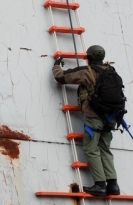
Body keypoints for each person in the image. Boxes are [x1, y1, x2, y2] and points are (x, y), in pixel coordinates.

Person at [52, 45, 120, 197]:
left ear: (88, 57)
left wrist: (56, 66)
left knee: (91, 149)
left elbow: (61, 77)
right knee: (105, 150)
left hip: (94, 118)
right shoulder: (112, 71)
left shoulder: (87, 72)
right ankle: (113, 185)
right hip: (111, 118)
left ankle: (100, 185)